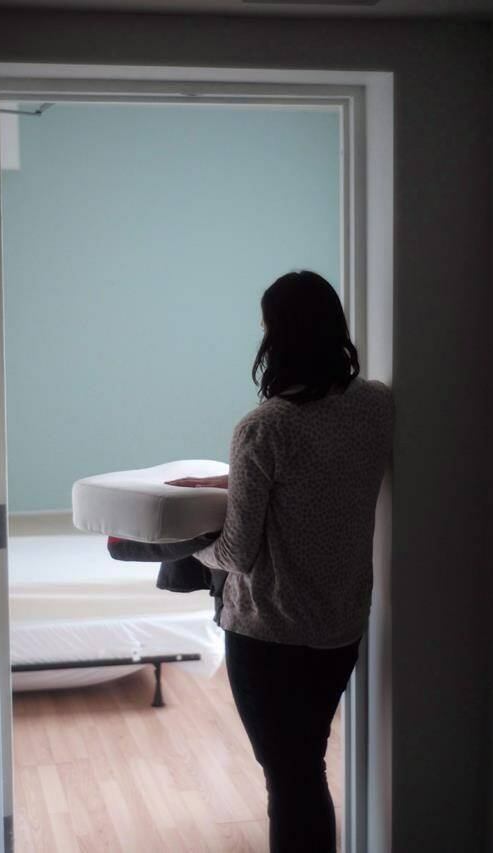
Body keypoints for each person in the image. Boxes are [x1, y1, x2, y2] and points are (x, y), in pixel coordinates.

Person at [166, 270, 394, 853]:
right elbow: (322, 472)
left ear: (277, 338)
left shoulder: (264, 428)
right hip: (339, 628)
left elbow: (236, 554)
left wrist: (179, 542)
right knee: (305, 767)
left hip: (269, 635)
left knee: (290, 780)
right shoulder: (375, 407)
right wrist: (231, 478)